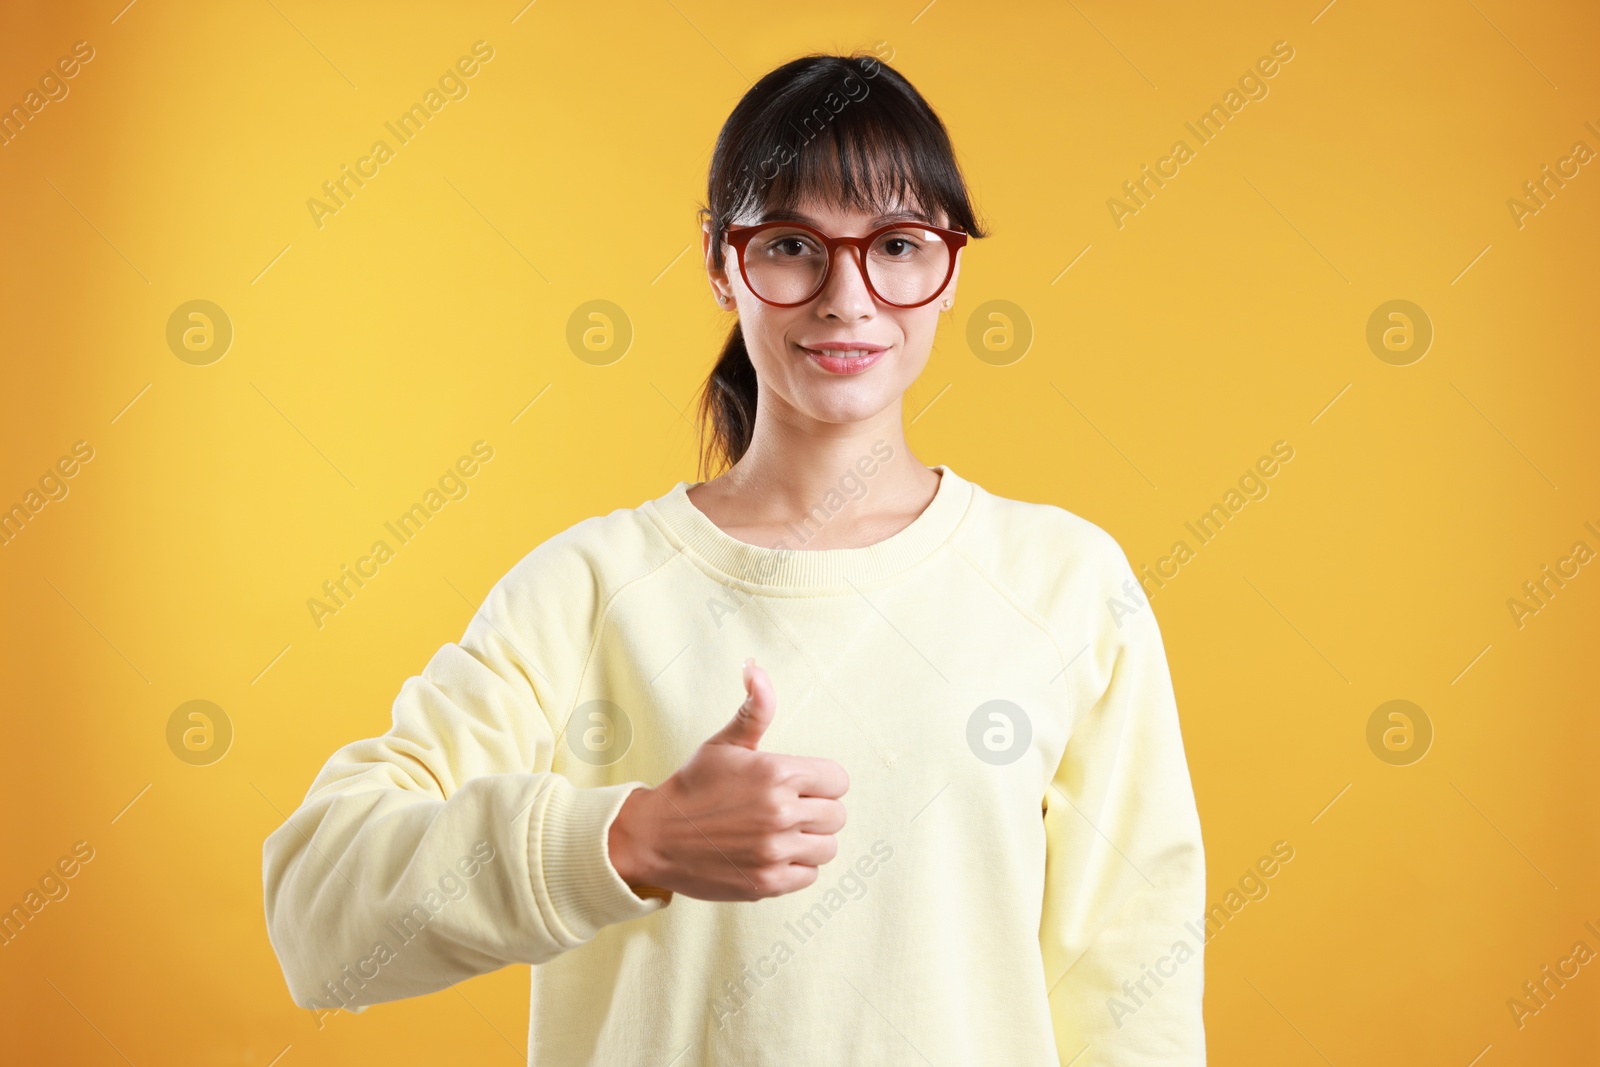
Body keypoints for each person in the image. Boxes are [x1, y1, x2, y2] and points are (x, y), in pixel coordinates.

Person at [262, 49, 1206, 1066]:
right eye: (794, 244)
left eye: (895, 244)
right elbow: (321, 921)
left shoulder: (1063, 583)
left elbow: (1130, 987)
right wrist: (628, 838)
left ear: (948, 271)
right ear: (720, 262)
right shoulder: (587, 591)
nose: (848, 296)